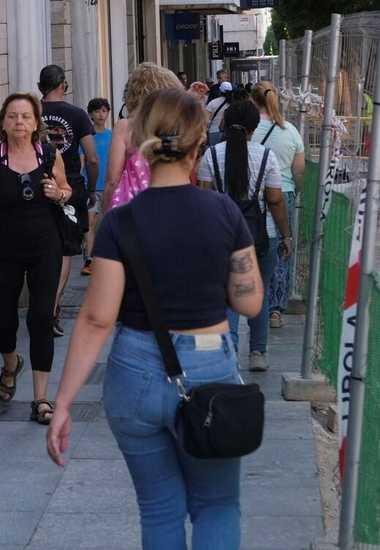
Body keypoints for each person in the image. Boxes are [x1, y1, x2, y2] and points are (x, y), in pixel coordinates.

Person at [46, 88, 264, 550]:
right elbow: (249, 303)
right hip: (209, 370)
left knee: (159, 510)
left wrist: (62, 403)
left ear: (140, 141)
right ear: (199, 142)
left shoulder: (121, 222)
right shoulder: (223, 211)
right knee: (217, 506)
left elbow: (96, 319)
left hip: (136, 371)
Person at [0, 92, 70, 424]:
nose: (19, 122)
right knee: (3, 323)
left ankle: (41, 399)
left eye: (26, 116)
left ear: (36, 122)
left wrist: (58, 194)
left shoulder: (50, 154)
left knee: (41, 318)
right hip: (4, 249)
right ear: (2, 121)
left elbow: (68, 190)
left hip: (46, 246)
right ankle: (11, 362)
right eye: (13, 116)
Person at [197, 100, 293, 372]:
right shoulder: (266, 156)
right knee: (258, 292)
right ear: (256, 127)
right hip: (262, 235)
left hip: (221, 235)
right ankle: (258, 353)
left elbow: (205, 198)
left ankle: (230, 354)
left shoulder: (212, 155)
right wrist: (286, 235)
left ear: (224, 123)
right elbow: (275, 200)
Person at [38, 65, 97, 336]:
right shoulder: (76, 114)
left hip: (36, 183)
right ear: (63, 84)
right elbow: (92, 157)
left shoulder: (31, 112)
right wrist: (91, 187)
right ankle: (52, 308)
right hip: (69, 185)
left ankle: (44, 306)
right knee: (64, 251)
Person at [252, 81, 307, 328]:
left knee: (255, 247)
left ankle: (256, 299)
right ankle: (276, 308)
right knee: (283, 248)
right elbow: (299, 169)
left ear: (253, 101)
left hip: (253, 195)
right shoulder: (291, 131)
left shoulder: (249, 131)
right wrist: (296, 190)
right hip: (283, 194)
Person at [103, 63, 183, 212]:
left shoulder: (125, 127)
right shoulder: (173, 126)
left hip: (131, 209)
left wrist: (105, 207)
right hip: (167, 206)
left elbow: (112, 179)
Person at [83, 98, 114, 276]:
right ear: (90, 114)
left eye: (103, 111)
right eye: (96, 111)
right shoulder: (87, 138)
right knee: (90, 220)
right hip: (91, 186)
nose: (100, 114)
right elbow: (83, 161)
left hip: (109, 184)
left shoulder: (112, 135)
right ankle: (91, 257)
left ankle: (107, 256)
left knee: (107, 221)